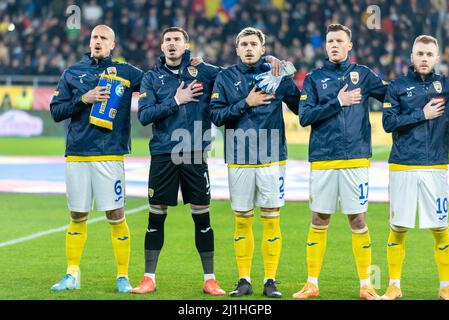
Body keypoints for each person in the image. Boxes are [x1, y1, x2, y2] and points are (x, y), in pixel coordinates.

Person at [132, 26, 284, 296]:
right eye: (167, 40)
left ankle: (210, 279)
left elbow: (237, 72)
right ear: (161, 45)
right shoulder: (151, 77)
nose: (171, 44)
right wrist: (176, 100)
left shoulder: (206, 72)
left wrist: (272, 61)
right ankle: (148, 278)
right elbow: (144, 116)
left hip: (194, 154)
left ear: (186, 44)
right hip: (163, 154)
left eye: (177, 39)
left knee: (202, 218)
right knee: (156, 218)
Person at [295, 24, 387, 300]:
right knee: (319, 217)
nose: (334, 45)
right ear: (325, 46)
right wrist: (338, 101)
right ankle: (312, 283)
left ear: (349, 46)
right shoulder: (314, 78)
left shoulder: (364, 75)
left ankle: (366, 285)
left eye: (339, 41)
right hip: (323, 158)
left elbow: (392, 95)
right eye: (330, 41)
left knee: (358, 219)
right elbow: (304, 117)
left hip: (356, 158)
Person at [49, 25, 143, 293]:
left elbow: (157, 79)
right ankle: (72, 274)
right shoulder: (73, 73)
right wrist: (83, 99)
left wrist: (188, 60)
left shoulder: (126, 72)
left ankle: (122, 276)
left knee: (116, 213)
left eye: (104, 38)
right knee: (77, 214)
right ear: (89, 42)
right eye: (94, 37)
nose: (98, 41)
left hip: (110, 153)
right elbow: (56, 111)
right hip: (78, 153)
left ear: (113, 45)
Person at [210, 27, 300, 298]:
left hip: (272, 156)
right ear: (236, 49)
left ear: (263, 49)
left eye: (254, 44)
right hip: (238, 157)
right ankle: (244, 280)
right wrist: (246, 102)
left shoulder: (276, 74)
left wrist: (289, 73)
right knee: (242, 220)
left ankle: (270, 280)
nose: (248, 48)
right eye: (244, 44)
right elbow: (216, 116)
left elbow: (300, 107)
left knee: (271, 219)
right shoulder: (225, 77)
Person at [381, 35, 449, 300]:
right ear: (411, 56)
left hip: (436, 166)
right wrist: (422, 114)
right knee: (398, 227)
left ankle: (445, 286)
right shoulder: (397, 86)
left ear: (437, 58)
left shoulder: (445, 86)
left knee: (440, 228)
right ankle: (394, 285)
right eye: (419, 53)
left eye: (429, 54)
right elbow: (388, 123)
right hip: (403, 165)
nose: (424, 58)